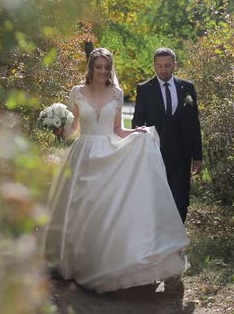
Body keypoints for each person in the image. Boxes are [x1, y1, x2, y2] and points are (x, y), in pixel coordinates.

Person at [39, 48, 189, 293]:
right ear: (91, 68)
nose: (103, 71)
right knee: (81, 207)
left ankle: (108, 262)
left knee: (106, 209)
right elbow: (73, 128)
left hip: (108, 152)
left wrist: (139, 133)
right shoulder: (77, 92)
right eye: (98, 67)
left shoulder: (117, 93)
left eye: (107, 67)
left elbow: (118, 129)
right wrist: (58, 130)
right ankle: (78, 262)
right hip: (84, 154)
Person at [132, 47, 203, 223]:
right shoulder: (144, 89)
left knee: (181, 200)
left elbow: (194, 123)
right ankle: (158, 238)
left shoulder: (187, 87)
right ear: (154, 66)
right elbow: (137, 122)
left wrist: (198, 156)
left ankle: (177, 240)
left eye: (167, 66)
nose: (163, 70)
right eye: (159, 66)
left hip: (182, 154)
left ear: (175, 65)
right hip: (155, 154)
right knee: (156, 198)